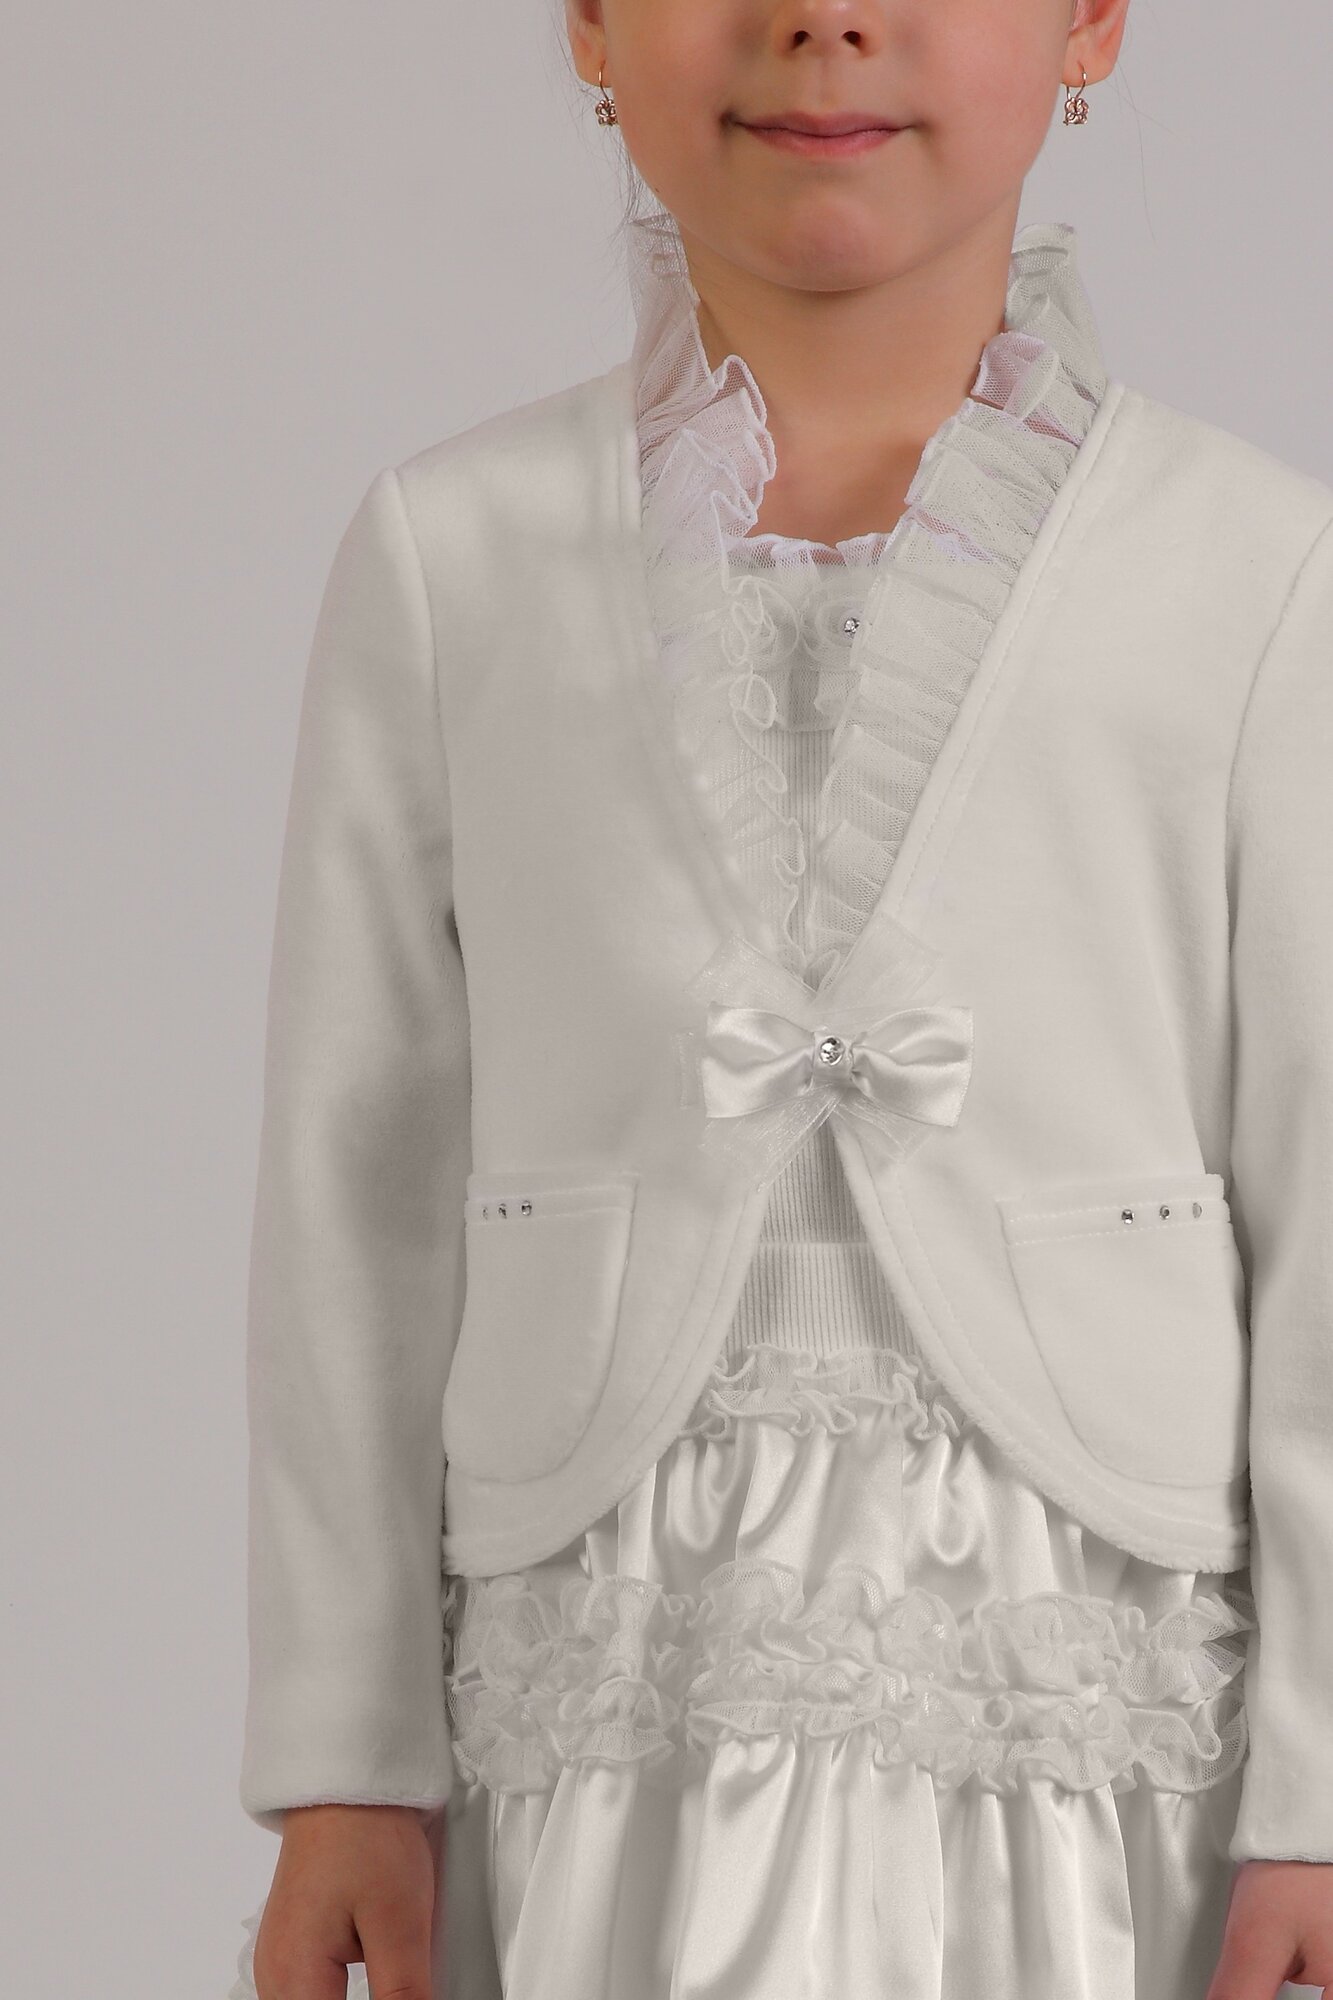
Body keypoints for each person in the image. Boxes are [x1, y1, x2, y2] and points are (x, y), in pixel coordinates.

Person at [230, 1, 1333, 1995]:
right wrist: (345, 1758)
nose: (822, 18)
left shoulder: (1260, 571)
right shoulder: (451, 554)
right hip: (605, 1682)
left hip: (1097, 1699)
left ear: (1089, 21)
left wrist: (1321, 1793)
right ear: (590, 21)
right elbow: (352, 1190)